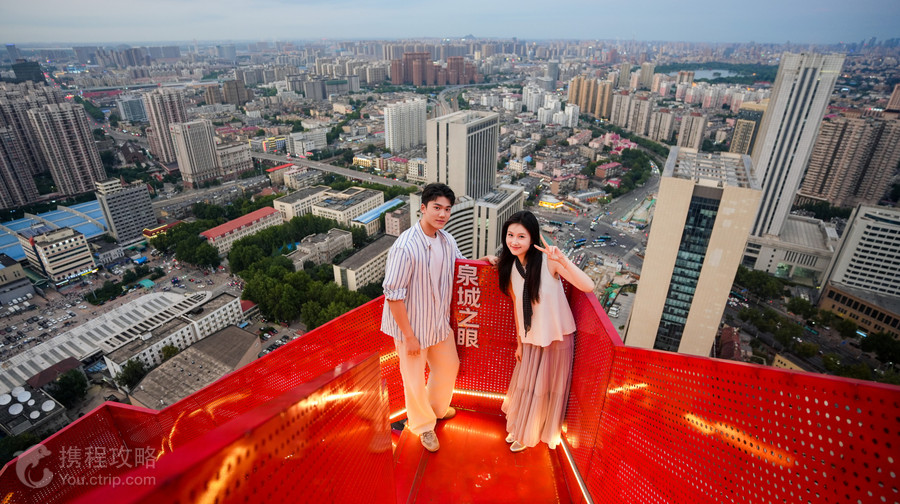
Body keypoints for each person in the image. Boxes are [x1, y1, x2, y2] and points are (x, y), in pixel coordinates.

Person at [381, 183, 496, 453]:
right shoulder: (405, 247)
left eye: (447, 209)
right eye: (436, 208)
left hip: (438, 323)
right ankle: (423, 426)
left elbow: (459, 266)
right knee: (413, 380)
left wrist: (484, 260)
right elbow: (393, 296)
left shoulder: (446, 239)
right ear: (423, 208)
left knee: (448, 366)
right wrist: (409, 337)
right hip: (411, 327)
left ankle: (435, 410)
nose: (442, 214)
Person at [497, 210, 594, 452]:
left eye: (521, 236)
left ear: (533, 238)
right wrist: (520, 343)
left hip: (554, 338)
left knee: (543, 390)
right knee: (527, 386)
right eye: (510, 235)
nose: (514, 241)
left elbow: (588, 286)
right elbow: (518, 308)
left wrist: (563, 260)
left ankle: (528, 433)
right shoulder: (510, 266)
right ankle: (521, 427)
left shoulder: (548, 261)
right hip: (531, 338)